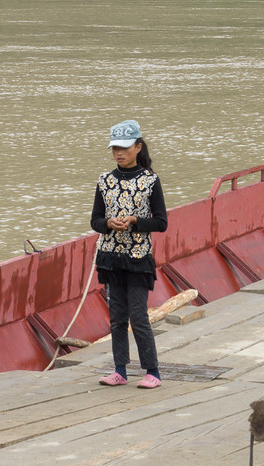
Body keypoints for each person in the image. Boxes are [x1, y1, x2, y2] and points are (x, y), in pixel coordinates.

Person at [90, 119, 168, 389]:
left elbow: (161, 222)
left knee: (138, 317)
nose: (118, 154)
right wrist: (108, 224)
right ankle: (120, 370)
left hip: (137, 259)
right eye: (114, 149)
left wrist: (135, 220)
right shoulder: (105, 181)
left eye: (124, 148)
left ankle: (153, 372)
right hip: (111, 258)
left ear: (138, 147)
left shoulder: (150, 181)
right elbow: (95, 221)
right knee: (117, 318)